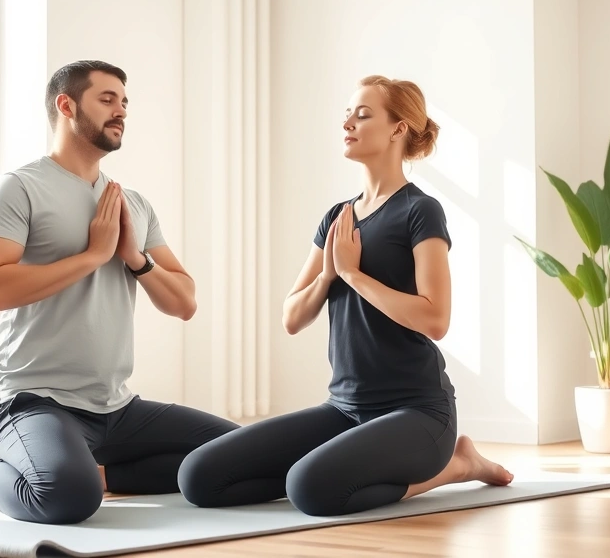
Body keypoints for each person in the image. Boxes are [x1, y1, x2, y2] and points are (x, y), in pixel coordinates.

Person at [0, 60, 239, 525]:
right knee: (65, 500)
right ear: (67, 106)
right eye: (107, 99)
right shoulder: (19, 188)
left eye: (124, 102)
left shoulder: (132, 203)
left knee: (243, 455)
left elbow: (184, 302)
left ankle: (95, 473)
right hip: (31, 399)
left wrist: (135, 258)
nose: (121, 111)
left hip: (116, 407)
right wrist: (92, 256)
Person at [177, 76, 514, 517]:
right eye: (348, 113)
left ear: (398, 129)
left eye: (363, 114)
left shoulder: (420, 210)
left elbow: (436, 319)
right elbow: (292, 317)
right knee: (199, 476)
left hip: (417, 413)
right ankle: (330, 467)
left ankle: (455, 465)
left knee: (311, 490)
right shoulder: (338, 217)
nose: (348, 123)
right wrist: (328, 276)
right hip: (344, 409)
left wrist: (353, 275)